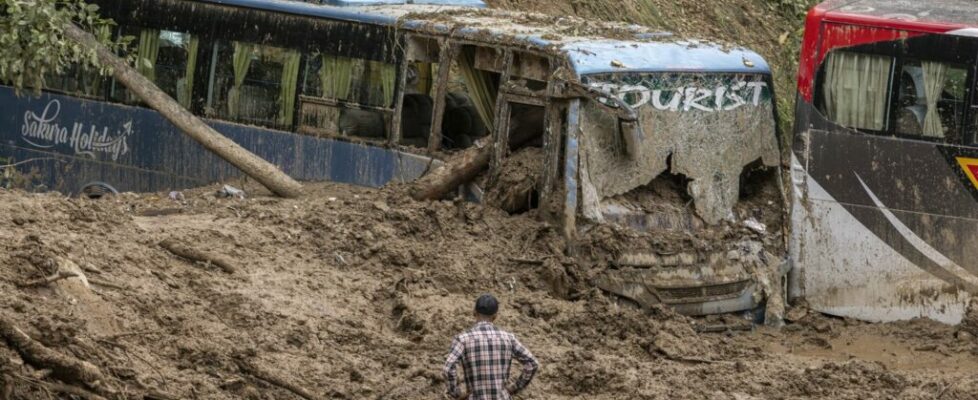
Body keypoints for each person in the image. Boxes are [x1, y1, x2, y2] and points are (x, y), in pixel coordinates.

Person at [442, 294, 539, 399]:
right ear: (495, 316)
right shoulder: (508, 338)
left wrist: (456, 393)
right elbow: (532, 363)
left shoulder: (462, 339)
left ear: (474, 312)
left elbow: (448, 368)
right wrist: (514, 388)